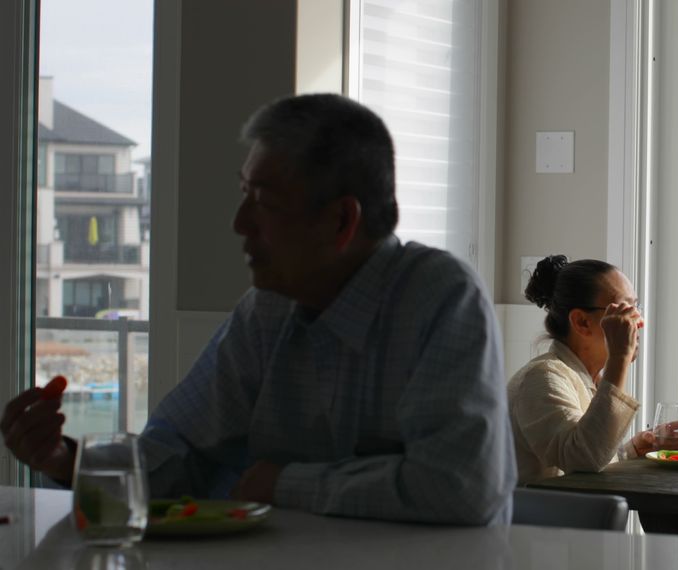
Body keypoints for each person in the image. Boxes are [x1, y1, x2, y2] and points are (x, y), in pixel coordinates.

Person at [1, 94, 516, 525]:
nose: (239, 223)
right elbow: (177, 455)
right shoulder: (267, 312)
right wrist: (68, 459)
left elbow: (458, 487)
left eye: (263, 202)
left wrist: (279, 482)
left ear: (341, 221)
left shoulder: (441, 299)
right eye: (243, 193)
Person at [507, 255, 678, 485]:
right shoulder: (541, 378)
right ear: (582, 322)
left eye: (636, 306)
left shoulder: (583, 378)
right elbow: (583, 458)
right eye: (624, 309)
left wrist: (632, 450)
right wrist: (619, 357)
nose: (639, 320)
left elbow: (587, 454)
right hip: (532, 519)